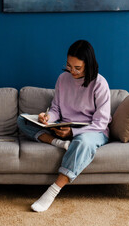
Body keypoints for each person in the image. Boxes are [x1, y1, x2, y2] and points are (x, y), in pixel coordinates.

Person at [17, 39, 111, 212]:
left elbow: (101, 122)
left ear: (88, 65)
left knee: (83, 142)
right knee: (22, 120)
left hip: (92, 130)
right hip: (63, 127)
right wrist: (47, 117)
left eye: (77, 68)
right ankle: (59, 143)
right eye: (69, 65)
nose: (72, 71)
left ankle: (52, 191)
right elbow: (56, 109)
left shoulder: (99, 83)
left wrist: (73, 133)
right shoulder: (62, 78)